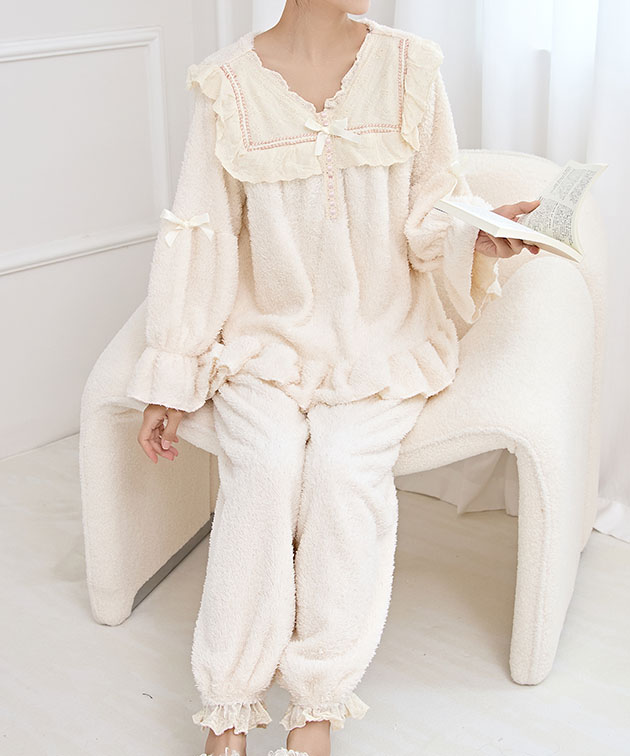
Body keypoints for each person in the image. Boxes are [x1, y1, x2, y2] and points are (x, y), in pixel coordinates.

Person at [126, 2, 541, 755]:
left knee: (344, 472)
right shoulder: (227, 86)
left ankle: (316, 704)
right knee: (263, 468)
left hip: (385, 336)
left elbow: (431, 209)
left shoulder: (411, 67)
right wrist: (171, 373)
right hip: (265, 339)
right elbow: (202, 232)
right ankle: (229, 705)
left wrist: (479, 232)